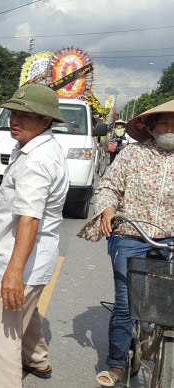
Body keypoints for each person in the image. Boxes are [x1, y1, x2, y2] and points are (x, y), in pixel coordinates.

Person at [78, 99, 174, 387]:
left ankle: (151, 334)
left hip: (169, 238)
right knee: (126, 303)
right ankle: (117, 364)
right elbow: (108, 186)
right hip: (131, 235)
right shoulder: (133, 154)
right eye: (164, 123)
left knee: (162, 302)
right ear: (152, 128)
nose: (170, 129)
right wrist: (107, 209)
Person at [0, 84, 69, 388]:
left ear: (46, 121)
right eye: (13, 113)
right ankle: (36, 358)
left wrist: (14, 274)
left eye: (26, 115)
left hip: (26, 261)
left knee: (3, 335)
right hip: (33, 259)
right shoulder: (36, 146)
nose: (15, 120)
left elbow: (30, 219)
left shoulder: (36, 159)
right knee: (25, 313)